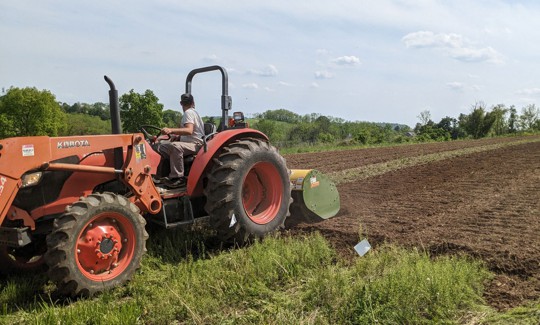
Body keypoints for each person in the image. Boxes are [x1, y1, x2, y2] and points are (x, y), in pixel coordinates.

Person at [158, 93, 205, 188]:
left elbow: (189, 130)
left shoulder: (189, 113)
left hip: (195, 144)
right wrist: (178, 137)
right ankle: (162, 174)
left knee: (175, 146)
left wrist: (171, 130)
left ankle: (178, 178)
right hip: (190, 142)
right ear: (193, 103)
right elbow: (192, 131)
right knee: (160, 146)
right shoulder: (193, 113)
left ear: (181, 103)